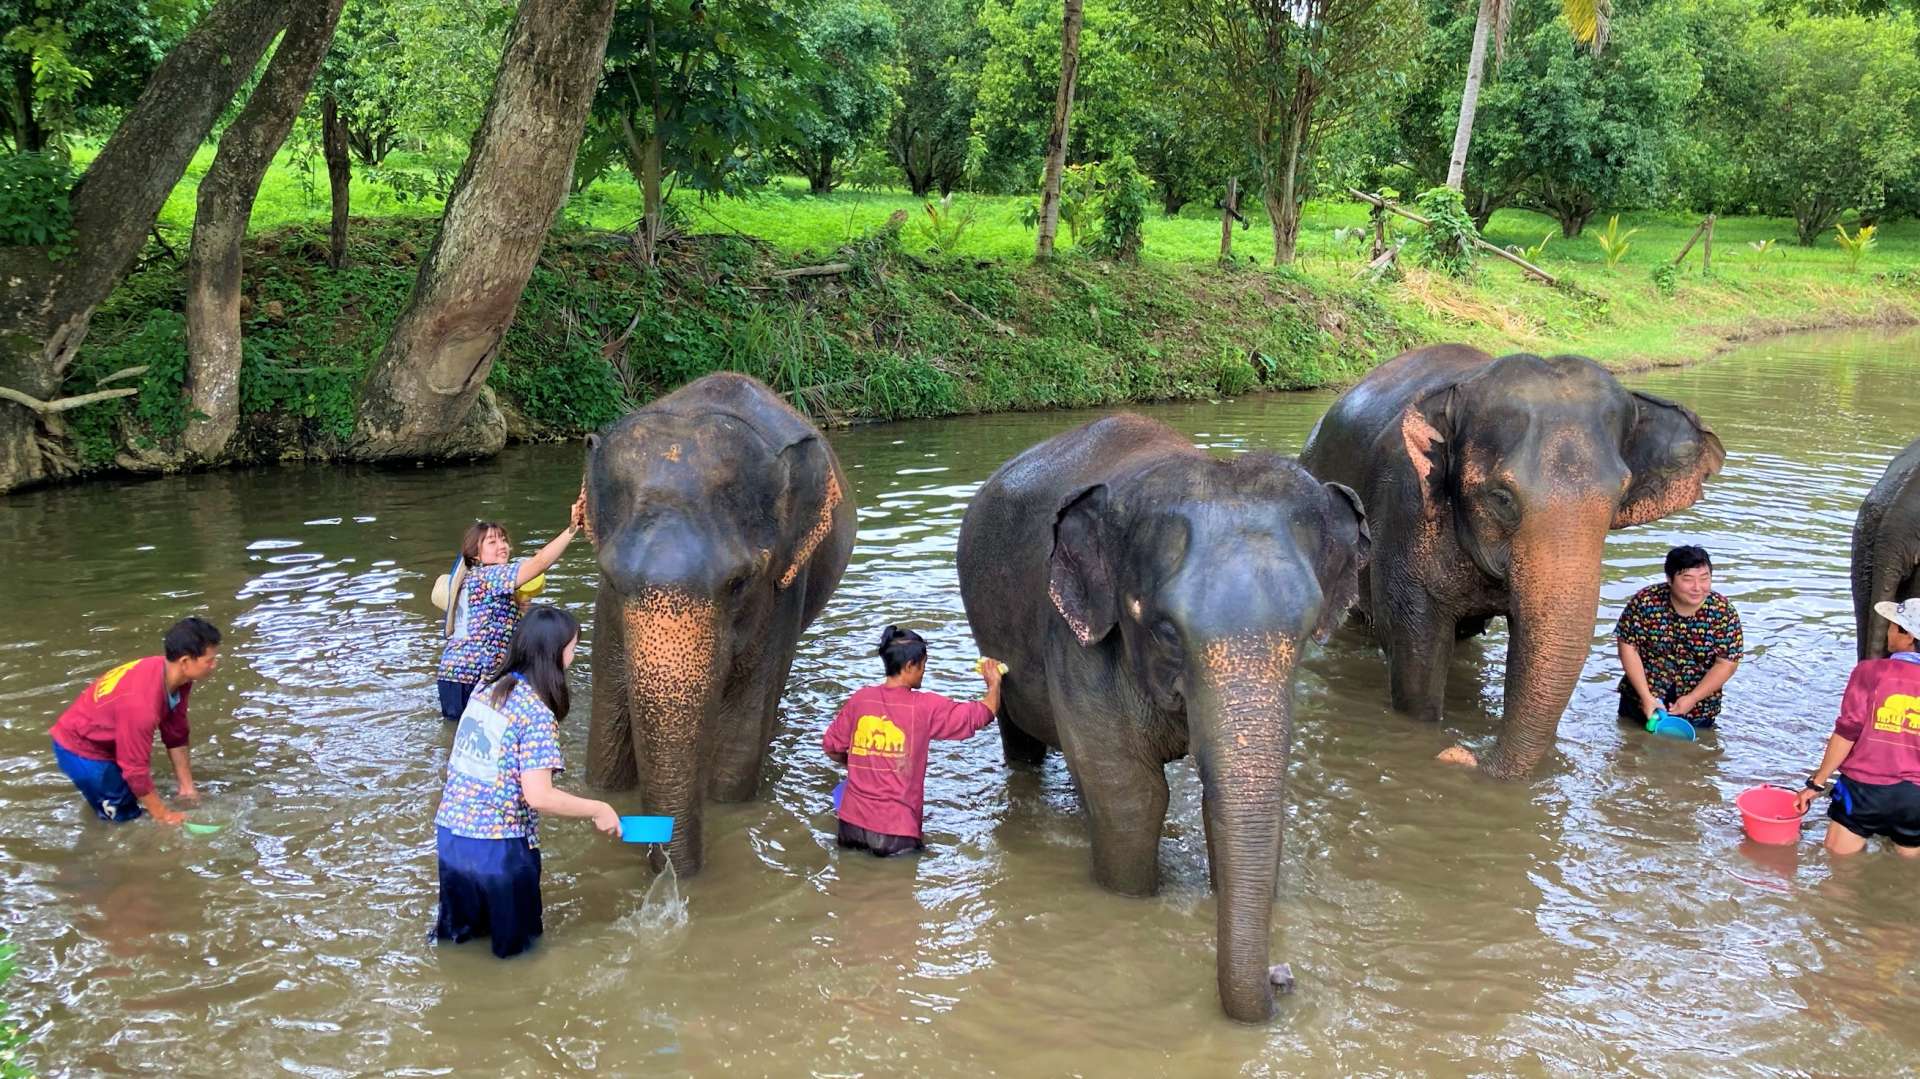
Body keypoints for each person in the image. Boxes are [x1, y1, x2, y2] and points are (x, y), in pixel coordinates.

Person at [434, 605, 619, 958]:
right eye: (573, 646)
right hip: (499, 849)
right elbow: (539, 796)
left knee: (459, 942)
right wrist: (599, 808)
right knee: (518, 956)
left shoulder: (486, 688)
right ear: (556, 652)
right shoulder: (536, 711)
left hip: (452, 837)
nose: (574, 654)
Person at [823, 625, 1004, 856]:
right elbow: (982, 714)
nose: (923, 672)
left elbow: (831, 747)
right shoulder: (924, 707)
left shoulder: (860, 699)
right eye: (923, 666)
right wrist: (994, 683)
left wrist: (863, 762)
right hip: (895, 833)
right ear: (909, 666)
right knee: (900, 890)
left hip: (849, 828)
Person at [49, 616, 222, 825]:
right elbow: (134, 769)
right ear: (185, 661)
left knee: (134, 800)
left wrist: (187, 788)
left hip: (105, 734)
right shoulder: (142, 705)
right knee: (124, 821)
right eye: (209, 660)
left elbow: (176, 732)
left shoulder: (175, 676)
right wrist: (163, 816)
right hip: (81, 751)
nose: (214, 665)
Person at [436, 494, 585, 723]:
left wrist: (519, 610)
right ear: (476, 554)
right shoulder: (490, 574)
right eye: (492, 542)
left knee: (461, 740)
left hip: (452, 673)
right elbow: (539, 563)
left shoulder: (472, 578)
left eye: (503, 540)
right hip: (474, 675)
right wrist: (571, 530)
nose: (502, 546)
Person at [1793, 599, 1920, 857]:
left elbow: (1847, 732)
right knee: (1908, 872)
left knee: (1839, 870)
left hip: (1864, 791)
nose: (1888, 631)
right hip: (1915, 799)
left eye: (1894, 626)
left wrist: (1815, 785)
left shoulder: (1869, 672)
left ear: (1908, 637)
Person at [1615, 544, 1743, 728]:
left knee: (1693, 753)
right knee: (1630, 747)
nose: (1697, 587)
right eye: (1688, 579)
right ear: (1669, 579)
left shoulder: (1723, 612)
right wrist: (1645, 696)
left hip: (1698, 708)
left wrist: (1693, 698)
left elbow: (1727, 663)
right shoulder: (1645, 601)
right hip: (1641, 699)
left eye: (1704, 578)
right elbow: (1627, 646)